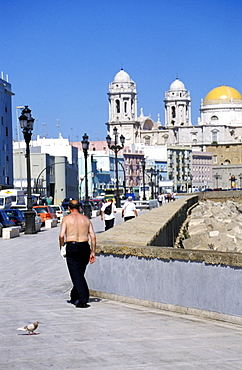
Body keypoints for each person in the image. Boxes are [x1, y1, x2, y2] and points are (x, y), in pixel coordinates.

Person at [59, 199, 96, 308]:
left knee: (76, 274)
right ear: (79, 208)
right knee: (79, 273)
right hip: (84, 246)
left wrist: (62, 246)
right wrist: (93, 251)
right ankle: (74, 296)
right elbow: (93, 236)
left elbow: (61, 236)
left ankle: (83, 299)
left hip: (72, 245)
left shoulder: (66, 219)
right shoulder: (86, 219)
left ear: (69, 208)